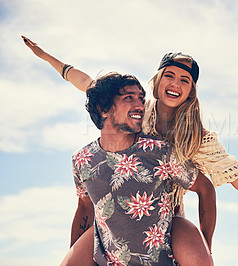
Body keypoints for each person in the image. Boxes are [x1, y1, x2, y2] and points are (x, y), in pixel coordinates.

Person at [23, 36, 238, 259]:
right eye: (169, 75)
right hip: (115, 216)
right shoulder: (133, 109)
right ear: (157, 81)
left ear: (191, 91)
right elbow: (87, 82)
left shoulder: (197, 138)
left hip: (165, 217)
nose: (175, 82)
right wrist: (47, 57)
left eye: (184, 79)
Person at [61, 71, 214, 265]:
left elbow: (205, 188)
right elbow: (84, 206)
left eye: (141, 98)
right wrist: (75, 253)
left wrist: (206, 246)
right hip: (110, 259)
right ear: (103, 109)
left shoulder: (160, 152)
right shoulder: (83, 160)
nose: (140, 105)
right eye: (129, 98)